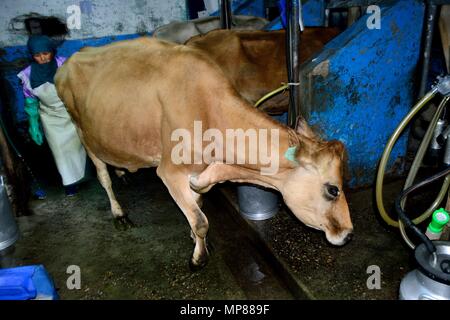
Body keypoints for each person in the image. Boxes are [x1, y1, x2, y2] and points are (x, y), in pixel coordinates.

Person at [17, 35, 87, 197]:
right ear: (31, 55)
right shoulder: (27, 75)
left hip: (72, 113)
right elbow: (31, 103)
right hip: (50, 118)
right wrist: (33, 125)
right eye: (37, 55)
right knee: (60, 152)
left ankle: (85, 177)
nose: (42, 58)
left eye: (46, 53)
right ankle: (70, 184)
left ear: (52, 51)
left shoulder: (65, 64)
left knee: (81, 147)